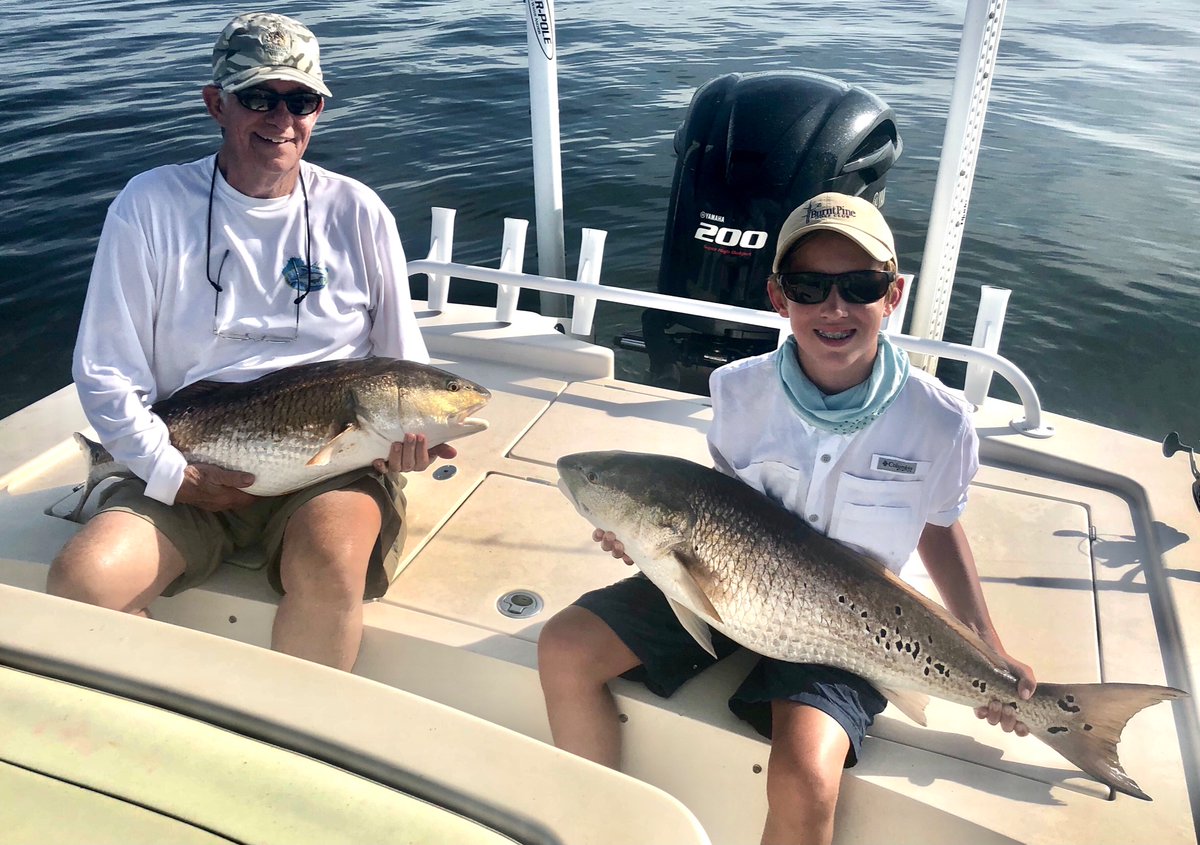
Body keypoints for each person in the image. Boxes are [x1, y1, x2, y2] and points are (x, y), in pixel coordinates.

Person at [537, 192, 1038, 845]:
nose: (835, 307)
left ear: (894, 294)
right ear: (779, 297)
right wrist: (645, 539)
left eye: (861, 285)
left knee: (806, 770)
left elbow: (940, 526)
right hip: (727, 588)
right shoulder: (738, 391)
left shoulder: (939, 421)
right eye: (809, 285)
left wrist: (987, 649)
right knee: (565, 647)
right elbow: (721, 504)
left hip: (845, 625)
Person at [47, 12, 452, 671]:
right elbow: (103, 369)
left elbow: (399, 366)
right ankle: (182, 720)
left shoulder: (358, 211)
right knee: (82, 582)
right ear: (217, 104)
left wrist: (407, 443)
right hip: (191, 458)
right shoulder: (149, 205)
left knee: (330, 564)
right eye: (259, 97)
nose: (282, 119)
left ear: (320, 109)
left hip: (331, 468)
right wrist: (172, 474)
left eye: (302, 100)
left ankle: (300, 742)